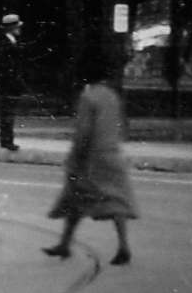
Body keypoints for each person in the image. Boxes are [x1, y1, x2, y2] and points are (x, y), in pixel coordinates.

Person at [42, 57, 137, 265]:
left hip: (92, 158)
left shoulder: (88, 97)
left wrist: (75, 158)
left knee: (74, 196)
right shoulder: (113, 96)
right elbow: (122, 126)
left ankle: (65, 244)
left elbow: (84, 132)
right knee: (115, 202)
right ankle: (122, 245)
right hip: (112, 154)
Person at [0, 13, 26, 151]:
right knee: (7, 113)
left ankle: (7, 140)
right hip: (7, 84)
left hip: (11, 84)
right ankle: (6, 140)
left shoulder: (13, 41)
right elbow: (2, 65)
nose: (19, 29)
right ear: (11, 28)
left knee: (9, 113)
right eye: (17, 26)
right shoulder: (4, 43)